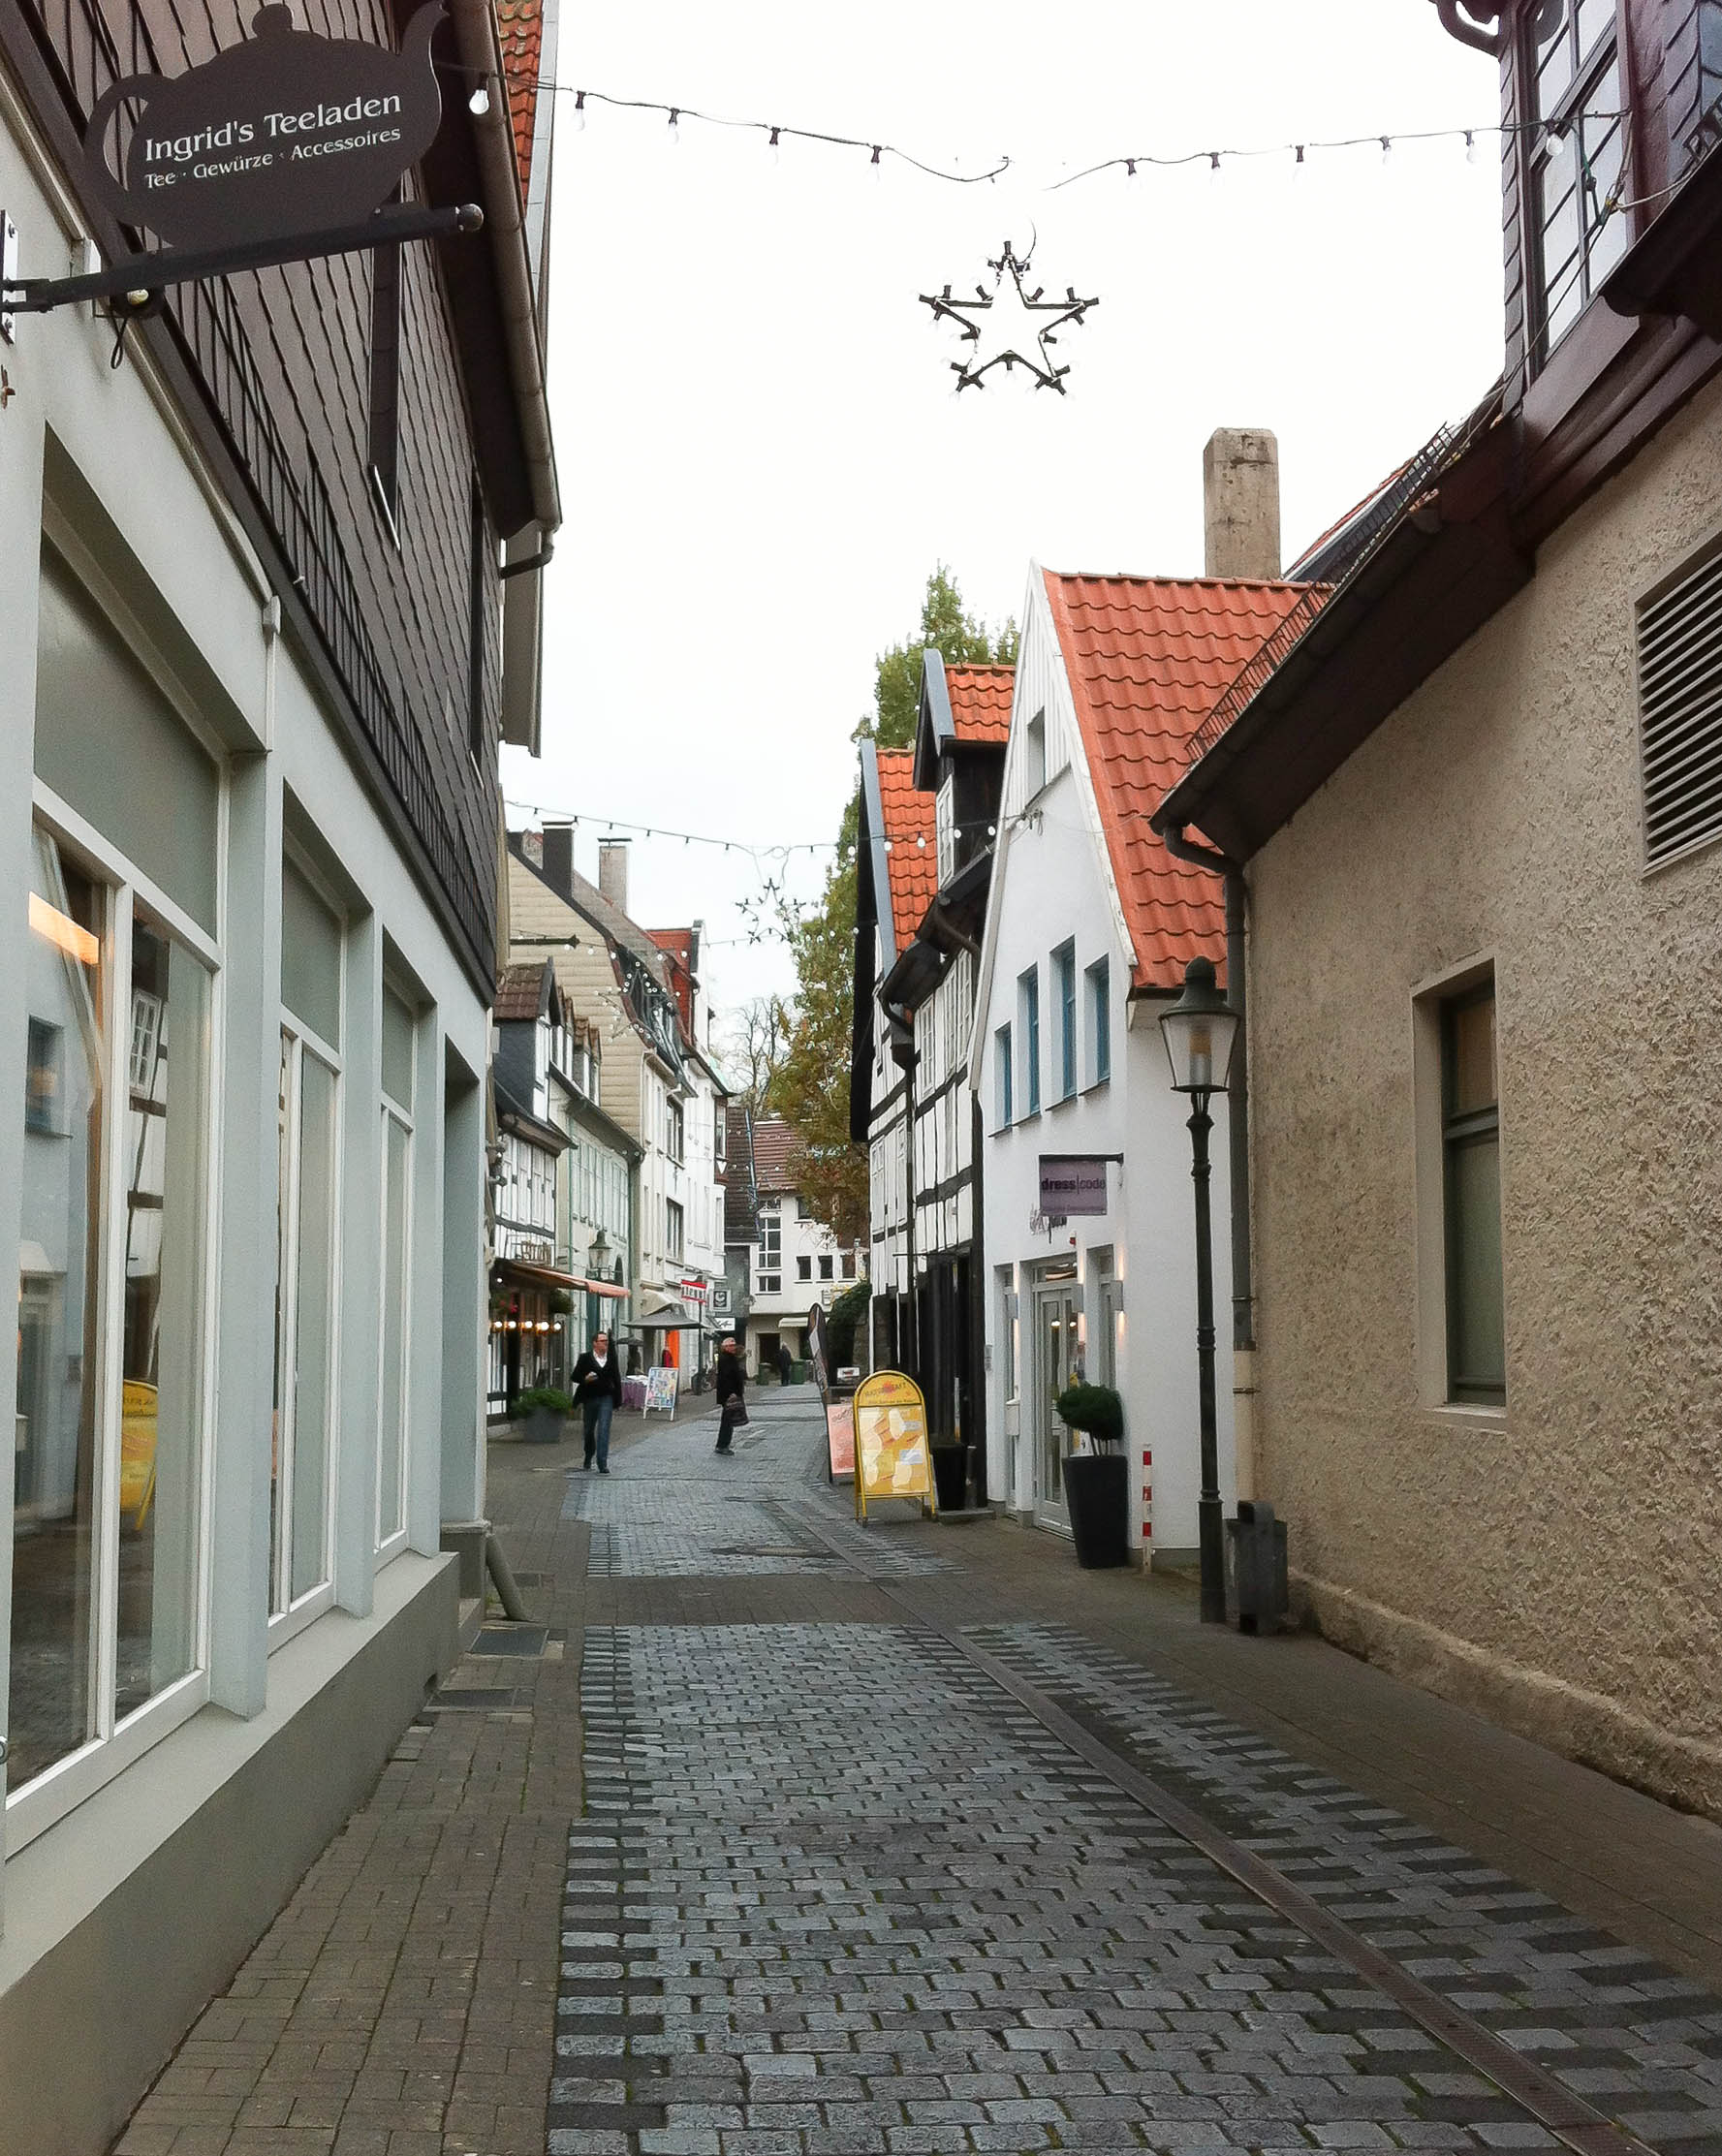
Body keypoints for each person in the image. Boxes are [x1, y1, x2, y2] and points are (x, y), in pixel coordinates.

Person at [571, 1330, 623, 1474]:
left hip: (606, 1397)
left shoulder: (611, 1359)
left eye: (606, 1341)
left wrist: (618, 1401)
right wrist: (585, 1379)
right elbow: (574, 1376)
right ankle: (588, 1454)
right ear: (595, 1343)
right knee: (588, 1430)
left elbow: (617, 1378)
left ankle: (602, 1462)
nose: (605, 1343)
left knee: (604, 1429)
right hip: (590, 1398)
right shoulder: (585, 1358)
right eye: (602, 1341)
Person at [714, 1335, 746, 1454]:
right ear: (725, 1347)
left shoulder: (731, 1358)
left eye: (734, 1345)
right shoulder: (725, 1359)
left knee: (728, 1420)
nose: (734, 1347)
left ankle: (722, 1444)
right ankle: (723, 1445)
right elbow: (726, 1379)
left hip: (730, 1394)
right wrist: (731, 1393)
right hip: (729, 1395)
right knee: (728, 1421)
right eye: (731, 1345)